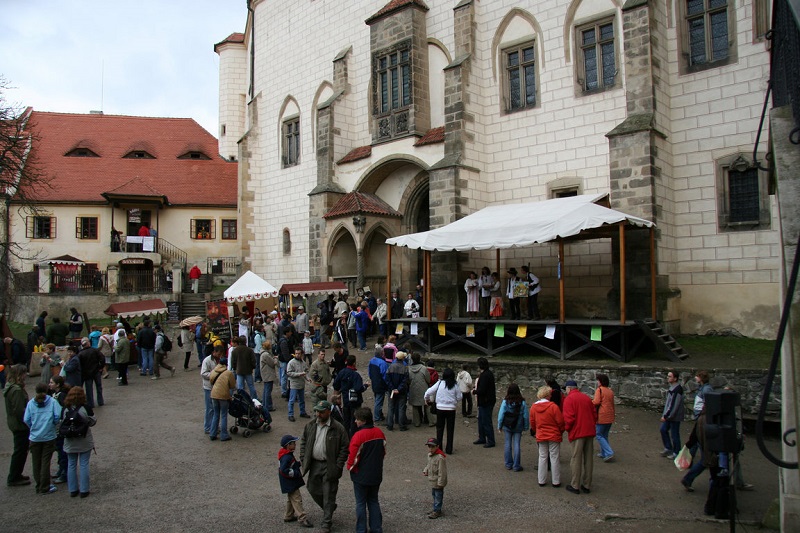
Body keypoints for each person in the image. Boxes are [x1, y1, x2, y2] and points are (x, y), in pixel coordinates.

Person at [299, 400, 350, 533]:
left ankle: (326, 523)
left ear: (329, 412)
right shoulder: (310, 425)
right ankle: (329, 508)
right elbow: (303, 441)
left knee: (329, 493)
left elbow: (345, 447)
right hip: (314, 463)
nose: (318, 414)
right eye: (317, 411)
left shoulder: (338, 428)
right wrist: (303, 458)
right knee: (312, 488)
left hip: (330, 465)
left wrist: (338, 465)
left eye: (321, 412)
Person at [346, 408, 386, 533]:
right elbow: (383, 452)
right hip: (376, 473)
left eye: (357, 419)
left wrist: (350, 468)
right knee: (373, 501)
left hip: (361, 475)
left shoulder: (358, 436)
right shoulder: (379, 433)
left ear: (363, 421)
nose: (355, 421)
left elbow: (352, 456)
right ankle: (376, 528)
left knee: (361, 503)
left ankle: (361, 529)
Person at [24, 382, 61, 494]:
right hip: (48, 436)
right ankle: (45, 486)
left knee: (36, 462)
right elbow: (57, 416)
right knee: (45, 461)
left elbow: (26, 419)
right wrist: (52, 424)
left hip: (35, 437)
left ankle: (39, 485)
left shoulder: (31, 403)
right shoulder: (52, 402)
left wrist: (33, 427)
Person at [562, 379, 597, 494]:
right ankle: (587, 484)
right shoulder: (586, 398)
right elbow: (594, 414)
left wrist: (567, 429)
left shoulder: (569, 399)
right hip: (589, 431)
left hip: (578, 432)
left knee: (576, 458)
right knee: (588, 458)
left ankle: (575, 485)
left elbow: (569, 418)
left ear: (569, 388)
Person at [62, 386, 96, 498]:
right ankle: (84, 490)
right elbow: (92, 421)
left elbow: (61, 423)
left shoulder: (65, 409)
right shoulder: (85, 408)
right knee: (83, 464)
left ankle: (73, 489)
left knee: (71, 464)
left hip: (70, 440)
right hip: (84, 439)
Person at [529, 385, 565, 487]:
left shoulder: (534, 407)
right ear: (548, 395)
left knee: (542, 457)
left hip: (541, 434)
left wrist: (536, 431)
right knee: (554, 457)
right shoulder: (553, 407)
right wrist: (561, 431)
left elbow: (532, 422)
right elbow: (560, 421)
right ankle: (556, 481)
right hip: (553, 434)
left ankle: (541, 480)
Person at [278, 435, 314, 528]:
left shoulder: (286, 454)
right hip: (290, 482)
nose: (295, 445)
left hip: (288, 483)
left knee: (291, 498)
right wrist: (296, 473)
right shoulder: (287, 457)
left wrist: (298, 464)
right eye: (293, 443)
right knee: (297, 499)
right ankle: (302, 518)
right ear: (288, 445)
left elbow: (290, 465)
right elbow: (284, 470)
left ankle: (288, 515)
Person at [4, 365, 31, 487]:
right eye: (24, 373)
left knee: (20, 450)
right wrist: (29, 421)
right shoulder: (17, 390)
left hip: (15, 423)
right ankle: (14, 477)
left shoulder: (11, 387)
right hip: (20, 425)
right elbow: (20, 411)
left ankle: (16, 474)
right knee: (20, 451)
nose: (25, 376)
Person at [425, 367, 461, 455]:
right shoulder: (455, 385)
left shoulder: (440, 383)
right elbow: (459, 397)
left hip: (440, 409)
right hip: (451, 409)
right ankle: (449, 449)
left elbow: (429, 391)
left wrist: (426, 399)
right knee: (450, 429)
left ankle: (439, 447)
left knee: (439, 429)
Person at [333, 354, 369, 435]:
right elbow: (359, 388)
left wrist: (341, 391)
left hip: (346, 400)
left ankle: (345, 436)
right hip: (355, 402)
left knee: (346, 420)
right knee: (355, 421)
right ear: (354, 363)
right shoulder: (355, 375)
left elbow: (336, 385)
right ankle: (353, 437)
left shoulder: (342, 372)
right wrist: (365, 386)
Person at [497, 383, 528, 471]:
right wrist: (526, 426)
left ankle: (508, 463)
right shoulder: (522, 402)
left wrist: (499, 425)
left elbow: (501, 415)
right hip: (518, 425)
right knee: (517, 444)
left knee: (507, 444)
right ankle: (516, 465)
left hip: (507, 425)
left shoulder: (506, 401)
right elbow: (525, 416)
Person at [208, 356, 236, 441]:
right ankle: (224, 434)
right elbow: (232, 385)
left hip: (214, 394)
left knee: (216, 414)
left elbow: (211, 380)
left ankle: (213, 433)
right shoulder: (228, 373)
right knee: (223, 414)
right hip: (223, 395)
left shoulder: (214, 370)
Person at [48, 376, 69, 484]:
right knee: (60, 450)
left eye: (52, 383)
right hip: (57, 427)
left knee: (62, 450)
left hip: (60, 427)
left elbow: (62, 410)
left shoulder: (61, 396)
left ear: (58, 384)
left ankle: (64, 472)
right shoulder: (54, 394)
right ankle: (61, 469)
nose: (49, 384)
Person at [660, 370, 685, 460]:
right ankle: (668, 448)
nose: (668, 378)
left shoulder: (677, 390)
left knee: (674, 435)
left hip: (674, 417)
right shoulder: (672, 388)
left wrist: (666, 416)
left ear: (675, 378)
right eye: (668, 376)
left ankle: (676, 452)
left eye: (670, 376)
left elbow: (674, 405)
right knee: (663, 430)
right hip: (670, 415)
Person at [473, 357, 496, 448]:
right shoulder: (488, 374)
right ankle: (482, 437)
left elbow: (482, 390)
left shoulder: (485, 376)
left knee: (486, 421)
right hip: (486, 401)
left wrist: (474, 391)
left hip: (486, 401)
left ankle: (490, 440)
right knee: (481, 420)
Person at [422, 437, 447, 519]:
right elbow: (428, 464)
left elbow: (442, 472)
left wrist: (441, 483)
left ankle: (437, 511)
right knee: (434, 495)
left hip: (437, 481)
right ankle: (435, 508)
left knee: (438, 497)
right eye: (429, 447)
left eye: (433, 447)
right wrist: (425, 470)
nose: (430, 449)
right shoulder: (430, 455)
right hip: (432, 480)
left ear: (437, 446)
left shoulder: (440, 457)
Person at [593, 373, 615, 462]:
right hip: (610, 416)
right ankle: (604, 452)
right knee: (604, 435)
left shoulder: (599, 390)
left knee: (599, 435)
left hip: (602, 416)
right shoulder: (610, 391)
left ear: (601, 381)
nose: (597, 382)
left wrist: (589, 402)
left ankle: (609, 452)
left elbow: (596, 402)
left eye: (598, 380)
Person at [385, 351, 409, 432]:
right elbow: (405, 381)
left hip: (391, 391)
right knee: (401, 408)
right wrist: (398, 389)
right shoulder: (404, 368)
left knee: (391, 407)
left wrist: (392, 388)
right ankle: (402, 425)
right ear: (403, 359)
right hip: (401, 391)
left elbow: (387, 379)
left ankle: (389, 425)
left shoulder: (391, 367)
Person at [77, 337, 104, 407]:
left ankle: (90, 403)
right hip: (96, 371)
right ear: (88, 343)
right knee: (99, 387)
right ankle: (100, 401)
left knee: (89, 389)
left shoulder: (80, 354)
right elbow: (102, 358)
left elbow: (79, 364)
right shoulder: (95, 351)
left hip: (87, 373)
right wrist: (101, 367)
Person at [286, 347, 311, 422]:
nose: (297, 355)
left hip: (301, 384)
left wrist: (307, 378)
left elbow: (305, 371)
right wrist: (299, 374)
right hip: (294, 384)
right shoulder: (291, 362)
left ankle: (302, 412)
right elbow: (288, 373)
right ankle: (290, 414)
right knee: (292, 400)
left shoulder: (303, 362)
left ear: (302, 354)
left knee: (302, 400)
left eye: (299, 353)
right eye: (296, 353)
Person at [231, 335, 258, 400]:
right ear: (245, 341)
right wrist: (252, 367)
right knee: (251, 386)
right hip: (248, 370)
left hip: (239, 370)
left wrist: (234, 368)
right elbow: (253, 361)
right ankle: (254, 399)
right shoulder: (249, 350)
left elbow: (233, 362)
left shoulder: (235, 351)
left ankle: (242, 399)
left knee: (240, 387)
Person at [408, 353, 431, 427]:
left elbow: (408, 380)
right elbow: (428, 379)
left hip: (413, 388)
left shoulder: (409, 369)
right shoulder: (423, 368)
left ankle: (417, 422)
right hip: (423, 388)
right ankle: (431, 421)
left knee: (415, 406)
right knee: (427, 405)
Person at [367, 347, 390, 422]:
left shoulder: (372, 361)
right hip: (380, 384)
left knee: (377, 399)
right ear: (381, 353)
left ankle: (379, 414)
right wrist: (387, 384)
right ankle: (377, 417)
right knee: (379, 401)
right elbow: (385, 375)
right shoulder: (382, 363)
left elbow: (369, 372)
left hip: (374, 382)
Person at [260, 341, 278, 412]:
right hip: (268, 374)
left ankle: (265, 404)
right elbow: (273, 363)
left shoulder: (263, 354)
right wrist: (275, 359)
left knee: (266, 390)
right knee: (268, 390)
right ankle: (268, 406)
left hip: (265, 374)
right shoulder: (266, 355)